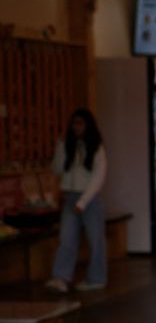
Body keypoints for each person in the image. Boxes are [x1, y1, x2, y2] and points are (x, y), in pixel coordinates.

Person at [46, 109, 108, 293]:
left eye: (80, 123)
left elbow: (99, 178)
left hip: (90, 198)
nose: (77, 127)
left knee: (96, 240)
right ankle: (61, 277)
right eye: (74, 123)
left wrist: (83, 202)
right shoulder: (67, 145)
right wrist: (60, 146)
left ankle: (97, 278)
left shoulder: (97, 148)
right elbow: (56, 169)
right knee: (66, 238)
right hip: (69, 196)